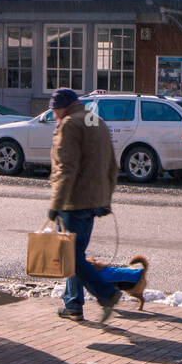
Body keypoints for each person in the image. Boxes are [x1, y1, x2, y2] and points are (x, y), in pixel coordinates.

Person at [47, 88, 121, 323]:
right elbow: (111, 164)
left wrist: (56, 204)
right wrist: (105, 199)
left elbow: (65, 169)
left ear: (63, 107)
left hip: (73, 201)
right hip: (94, 200)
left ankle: (106, 293)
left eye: (55, 111)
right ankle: (72, 305)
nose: (54, 116)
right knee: (75, 254)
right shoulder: (96, 121)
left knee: (69, 254)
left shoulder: (69, 124)